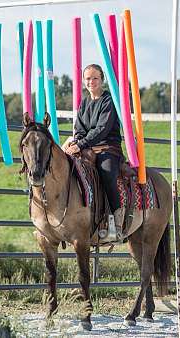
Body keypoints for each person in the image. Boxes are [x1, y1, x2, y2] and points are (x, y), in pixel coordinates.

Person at [63, 64, 124, 241]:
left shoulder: (109, 100)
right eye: (88, 78)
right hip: (87, 148)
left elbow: (102, 129)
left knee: (106, 174)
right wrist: (76, 143)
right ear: (84, 81)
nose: (91, 82)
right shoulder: (84, 103)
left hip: (107, 148)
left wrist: (81, 145)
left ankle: (116, 224)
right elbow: (80, 129)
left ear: (102, 79)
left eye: (95, 78)